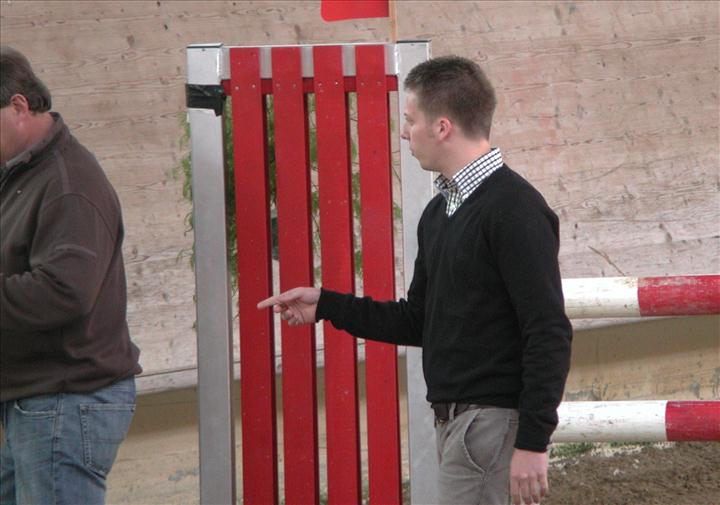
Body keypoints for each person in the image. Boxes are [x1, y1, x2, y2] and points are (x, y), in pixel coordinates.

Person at [259, 55, 572, 505]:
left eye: (410, 120)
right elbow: (418, 320)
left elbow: (548, 329)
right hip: (457, 425)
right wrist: (326, 304)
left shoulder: (514, 210)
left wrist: (533, 441)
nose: (404, 133)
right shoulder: (438, 212)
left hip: (489, 428)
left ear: (442, 127)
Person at [0, 46, 142, 505]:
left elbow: (64, 292)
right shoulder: (21, 172)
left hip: (66, 400)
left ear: (18, 106)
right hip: (40, 398)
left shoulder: (68, 184)